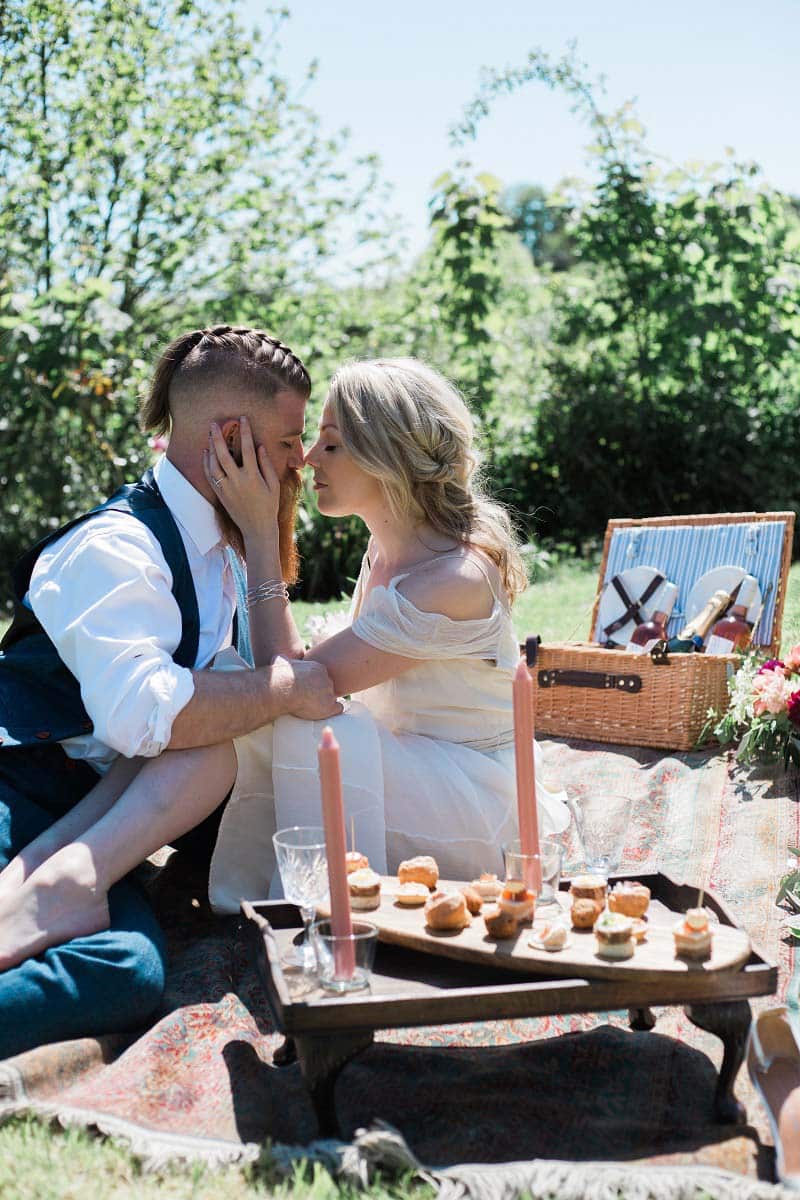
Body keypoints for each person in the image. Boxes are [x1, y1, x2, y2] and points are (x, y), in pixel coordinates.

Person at [0, 357, 568, 998]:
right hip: (415, 763)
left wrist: (263, 534)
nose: (306, 460)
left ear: (385, 458)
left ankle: (74, 872)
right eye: (305, 441)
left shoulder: (452, 579)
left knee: (241, 709)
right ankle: (57, 870)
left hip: (469, 801)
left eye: (329, 443)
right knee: (229, 699)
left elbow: (300, 684)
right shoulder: (391, 547)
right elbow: (291, 677)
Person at [0, 325, 341, 1058]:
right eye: (288, 441)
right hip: (12, 786)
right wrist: (283, 687)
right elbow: (149, 716)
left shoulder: (221, 550)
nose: (302, 459)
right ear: (230, 438)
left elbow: (257, 680)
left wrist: (259, 536)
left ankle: (62, 885)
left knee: (127, 969)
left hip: (89, 816)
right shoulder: (116, 549)